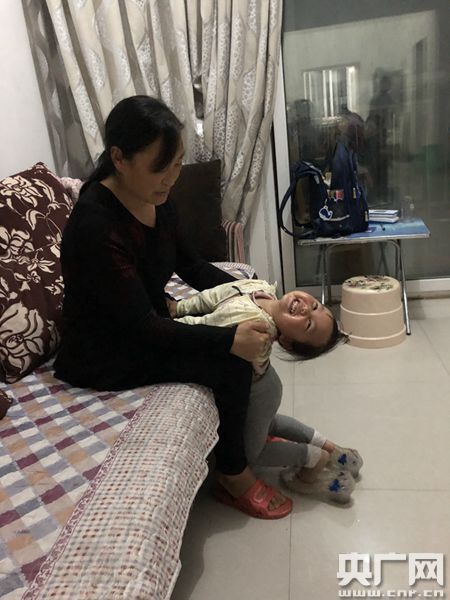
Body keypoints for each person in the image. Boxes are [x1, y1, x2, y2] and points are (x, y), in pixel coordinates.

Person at [54, 95, 292, 520]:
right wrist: (228, 339)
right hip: (103, 351)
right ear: (119, 159)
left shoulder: (156, 198)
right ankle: (232, 475)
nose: (171, 178)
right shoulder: (96, 224)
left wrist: (250, 292)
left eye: (178, 164)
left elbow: (194, 267)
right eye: (160, 167)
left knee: (235, 334)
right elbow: (143, 326)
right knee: (230, 363)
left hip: (145, 321)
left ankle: (244, 434)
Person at [168, 280, 362, 504]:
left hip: (257, 393)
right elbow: (215, 295)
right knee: (270, 423)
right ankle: (333, 449)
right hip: (267, 384)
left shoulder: (256, 324)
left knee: (252, 454)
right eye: (316, 305)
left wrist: (170, 322)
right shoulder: (262, 289)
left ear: (286, 342)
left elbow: (203, 328)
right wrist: (180, 307)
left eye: (308, 324)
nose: (306, 309)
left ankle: (315, 458)